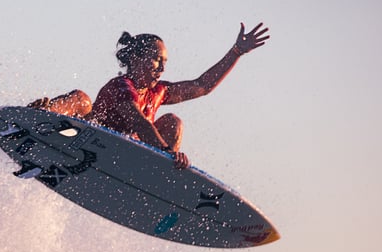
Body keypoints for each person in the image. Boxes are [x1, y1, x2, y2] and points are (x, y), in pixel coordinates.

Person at [29, 23, 270, 169]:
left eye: (165, 62)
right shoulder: (121, 86)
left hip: (123, 159)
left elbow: (202, 85)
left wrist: (236, 52)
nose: (162, 68)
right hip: (78, 139)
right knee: (82, 99)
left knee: (173, 122)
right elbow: (139, 123)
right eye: (156, 60)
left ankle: (160, 172)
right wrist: (168, 151)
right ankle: (39, 116)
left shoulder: (158, 92)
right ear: (135, 59)